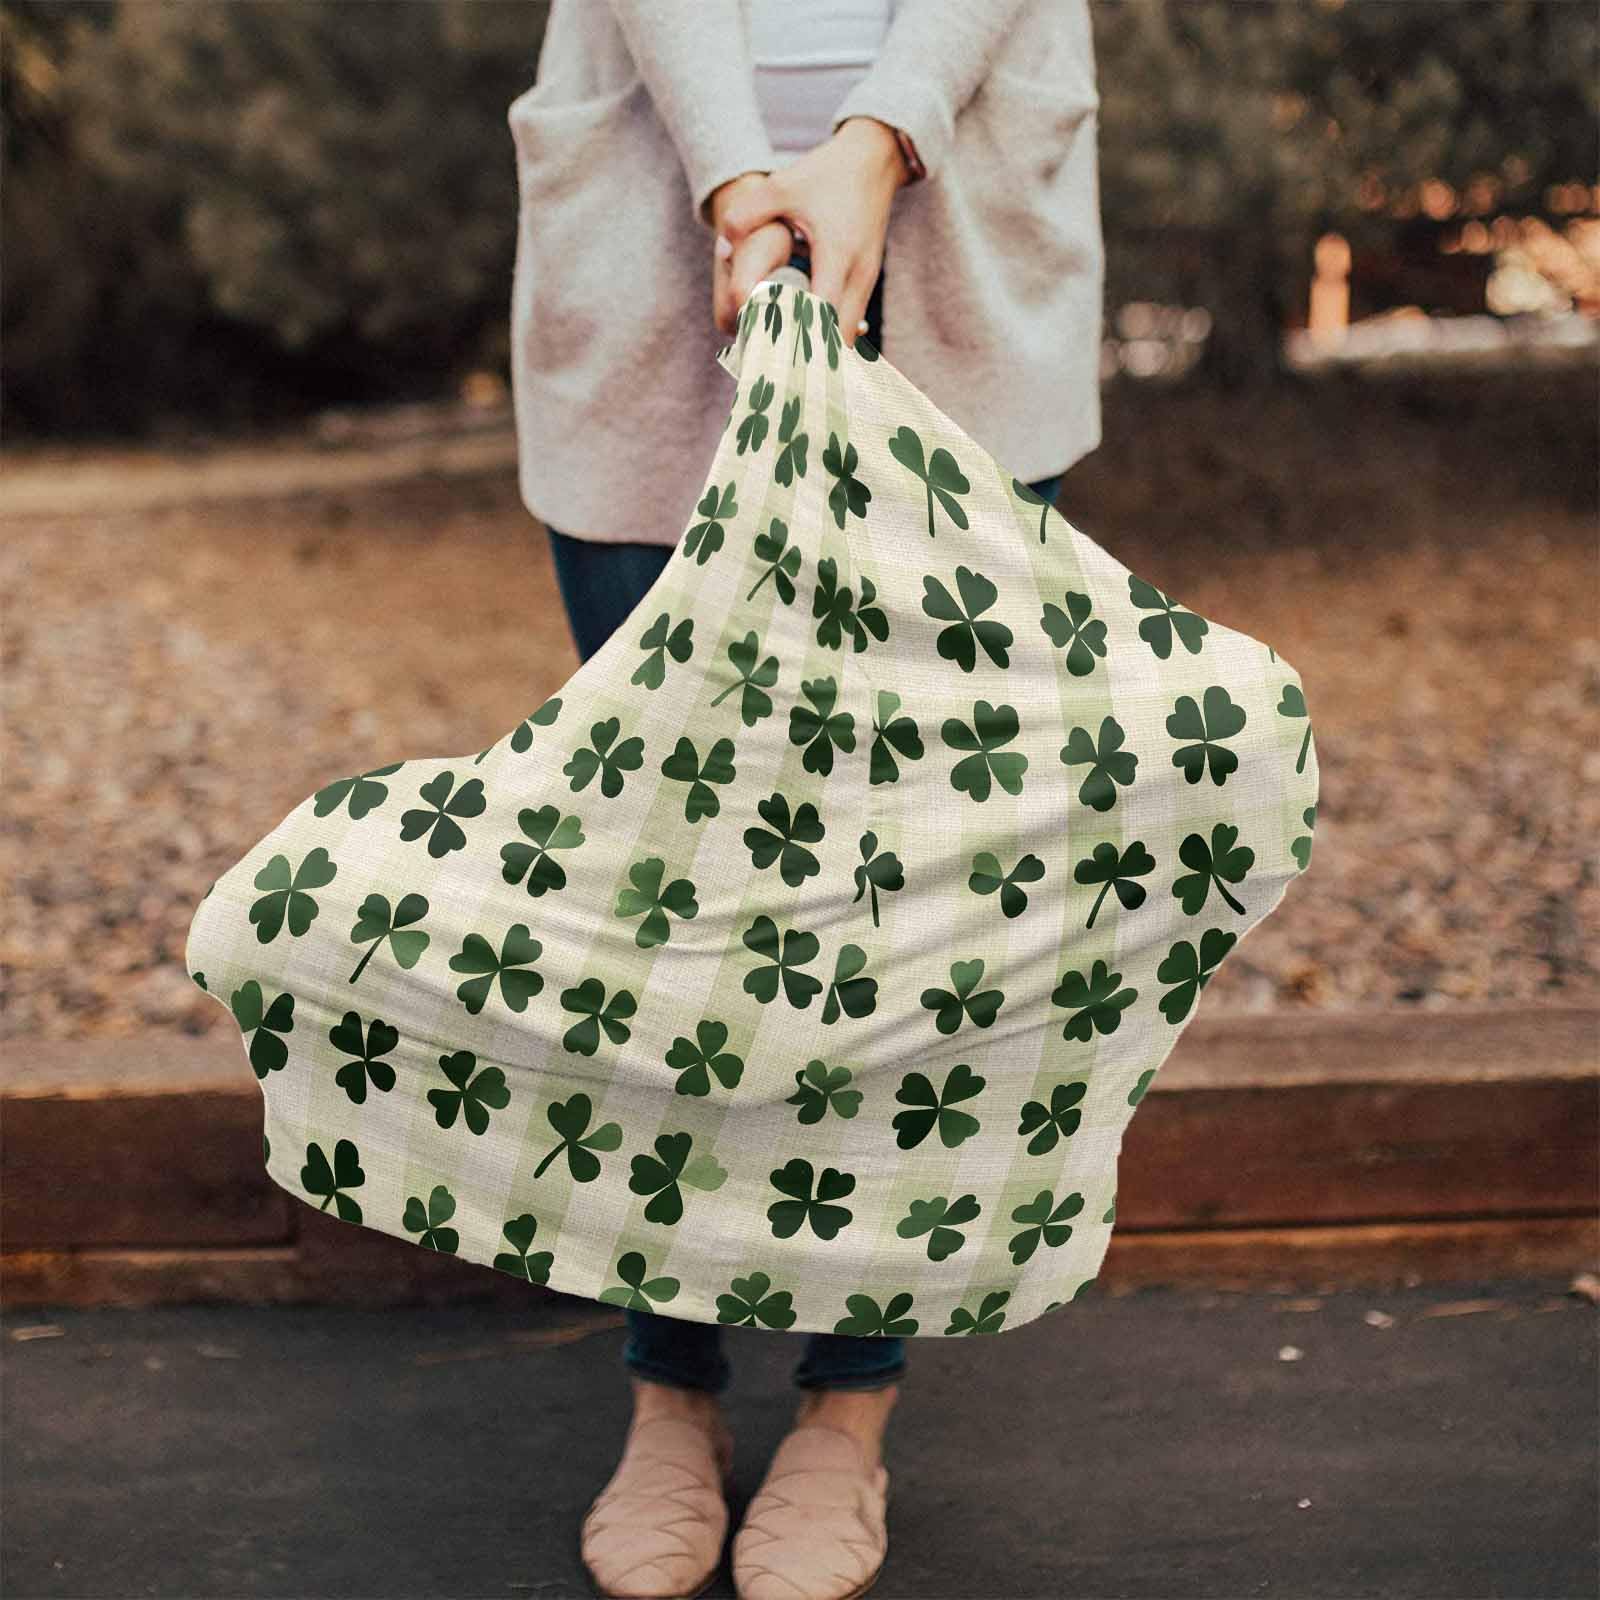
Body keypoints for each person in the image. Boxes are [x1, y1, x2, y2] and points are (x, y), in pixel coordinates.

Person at [505, 4, 1103, 1596]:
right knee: (665, 885)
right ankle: (670, 1388)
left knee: (915, 889)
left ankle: (849, 1406)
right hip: (655, 222)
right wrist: (733, 176)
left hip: (960, 225)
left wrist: (877, 137)